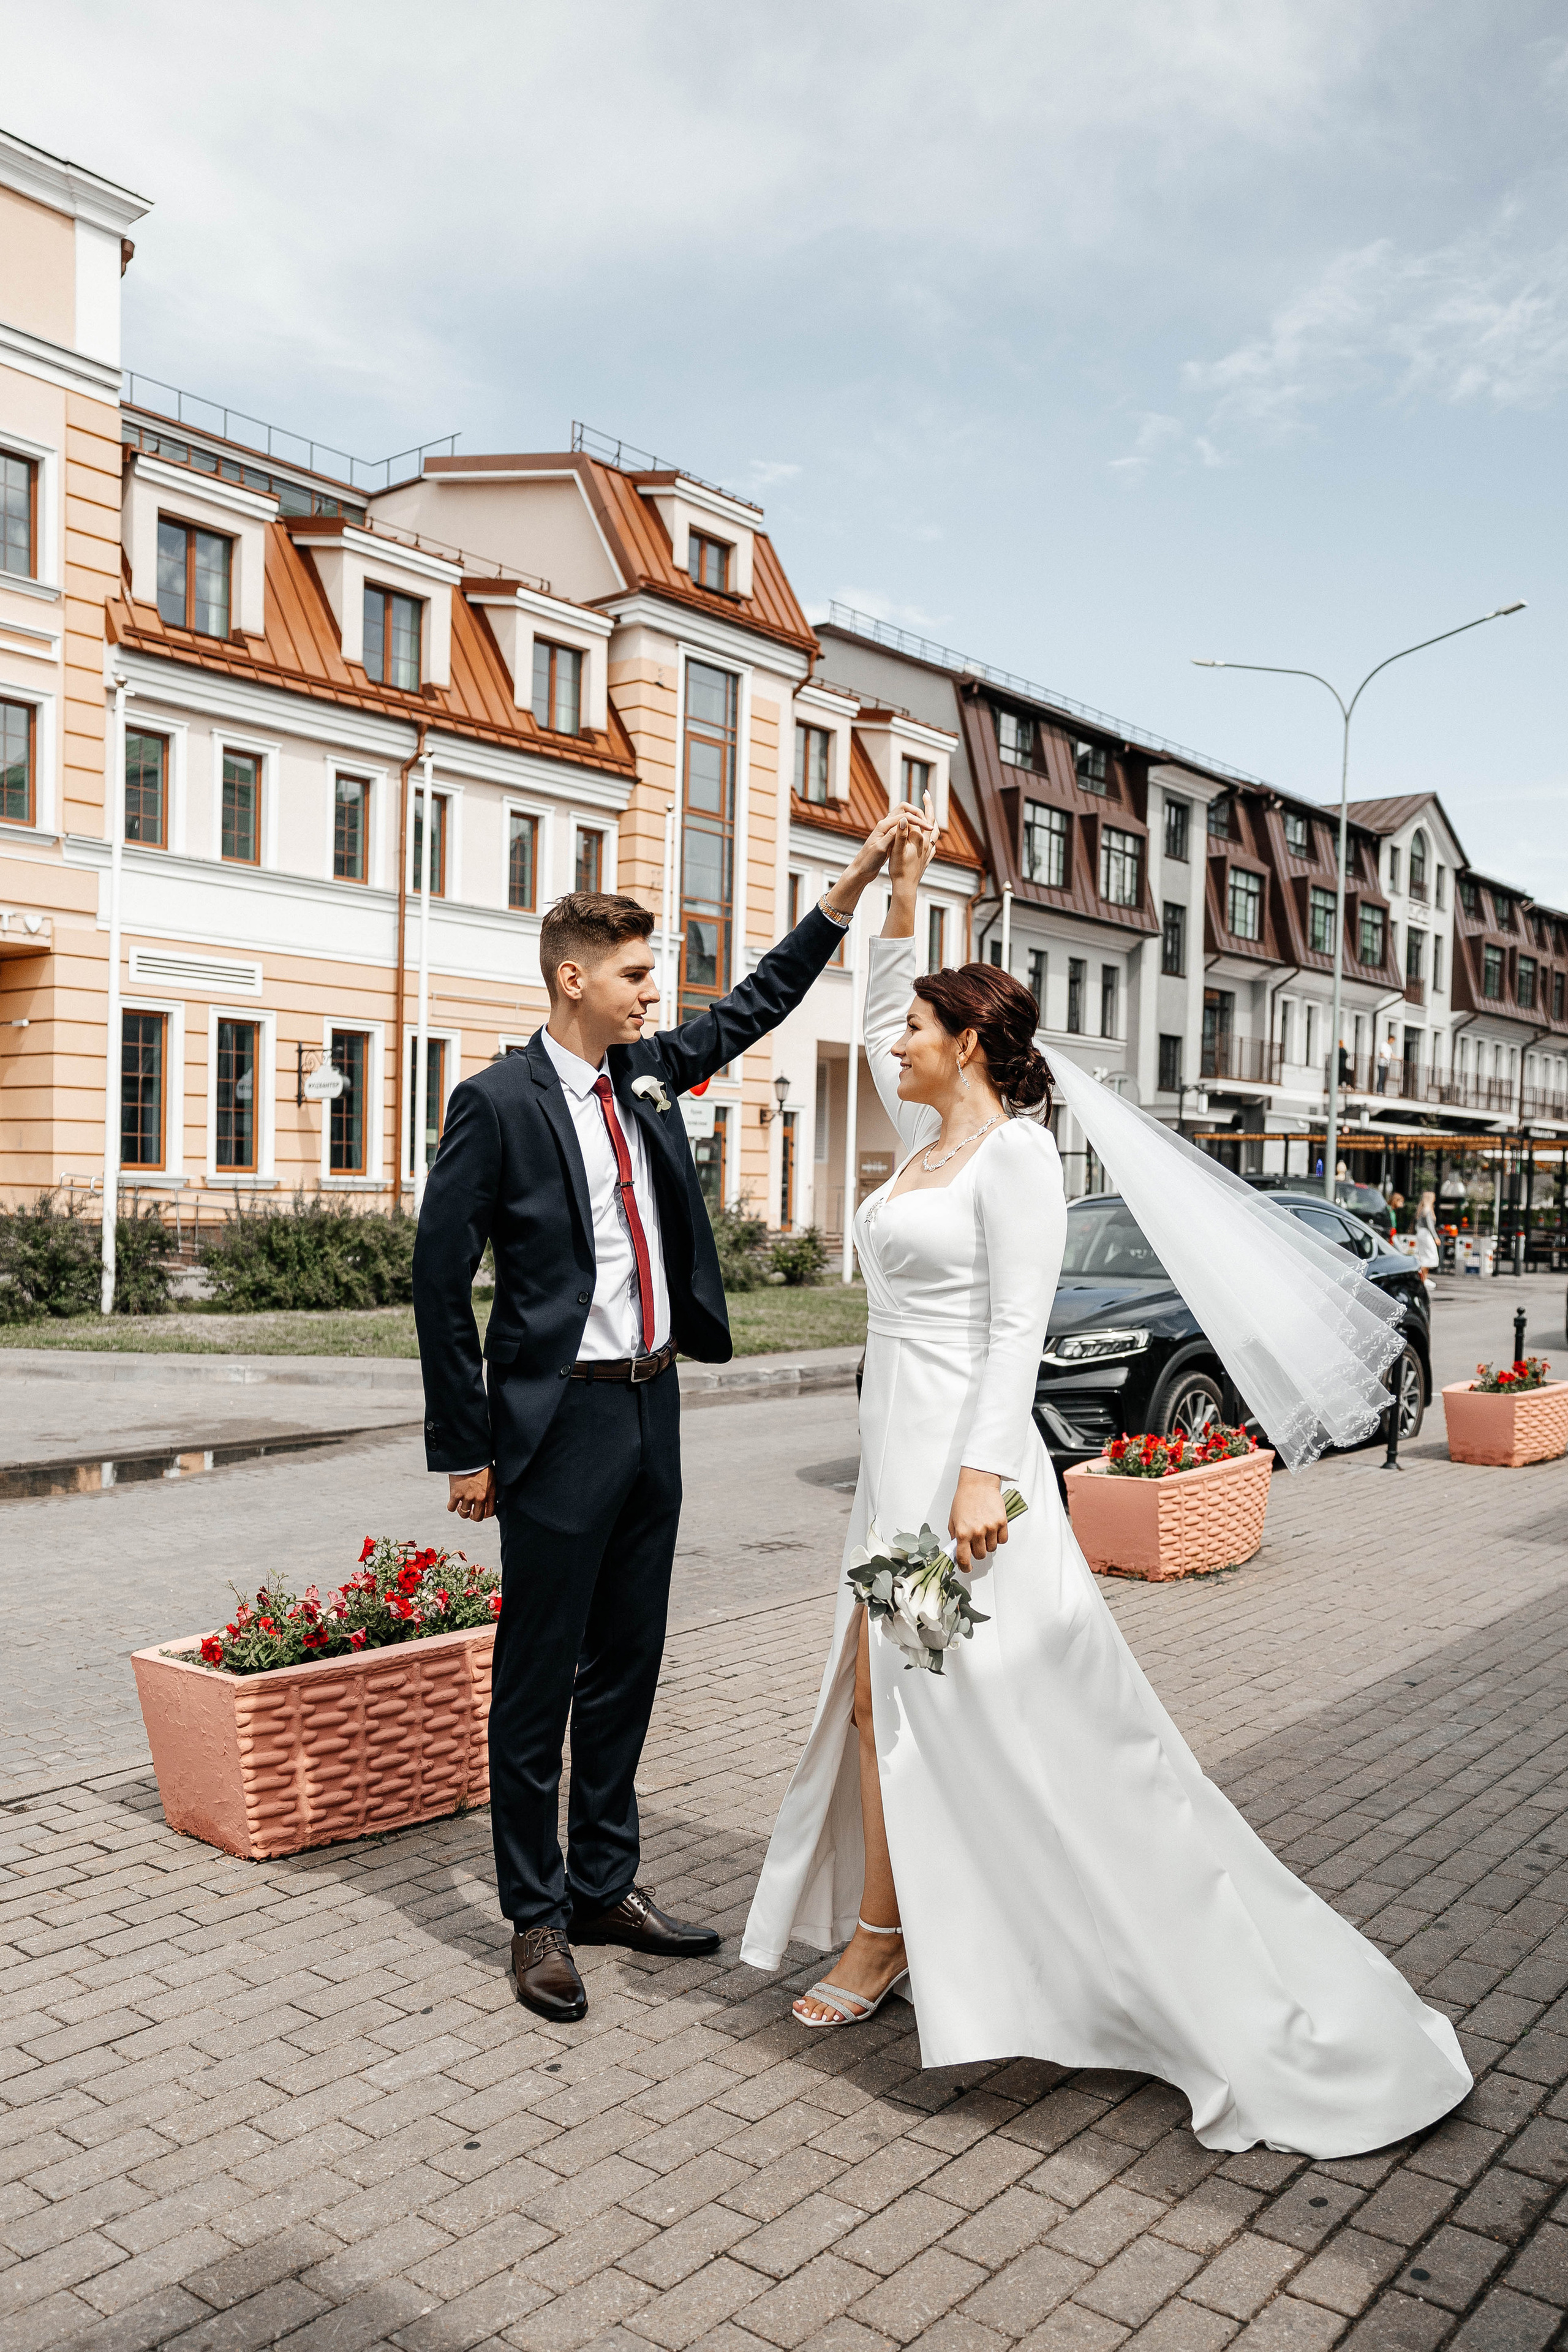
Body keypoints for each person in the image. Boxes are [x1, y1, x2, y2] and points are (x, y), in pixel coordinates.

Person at [741, 814, 1471, 2158]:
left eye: (914, 1032)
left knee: (964, 1712)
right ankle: (899, 1934)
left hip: (959, 1475)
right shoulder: (926, 1144)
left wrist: (975, 1480)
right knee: (873, 1697)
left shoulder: (1013, 1154)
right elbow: (870, 1011)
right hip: (894, 1461)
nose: (889, 1047)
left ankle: (917, 1941)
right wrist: (890, 892)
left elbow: (1015, 1325)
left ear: (963, 1045)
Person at [414, 809, 926, 2023]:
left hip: (653, 1410)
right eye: (638, 974)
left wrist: (846, 892)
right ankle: (535, 1919)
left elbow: (755, 1005)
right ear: (573, 977)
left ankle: (605, 1884)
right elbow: (439, 1282)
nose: (656, 992)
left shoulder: (646, 1073)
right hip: (555, 1425)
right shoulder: (493, 1103)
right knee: (537, 1681)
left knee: (629, 1668)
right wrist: (469, 1445)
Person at [1414, 1189, 1441, 1284]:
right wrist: (1436, 1237)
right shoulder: (1428, 1211)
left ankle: (1423, 1278)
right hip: (1426, 1235)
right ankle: (1424, 1278)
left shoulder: (1421, 1210)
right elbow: (1430, 1226)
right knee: (1429, 1255)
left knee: (1423, 1255)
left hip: (1420, 1234)